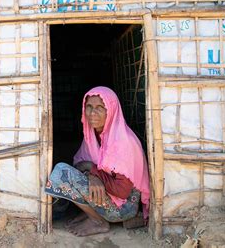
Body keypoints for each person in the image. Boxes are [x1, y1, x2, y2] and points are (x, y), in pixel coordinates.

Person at [45, 86, 150, 236]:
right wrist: (92, 175)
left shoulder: (123, 141)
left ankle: (98, 222)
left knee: (61, 172)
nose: (93, 113)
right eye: (89, 107)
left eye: (100, 107)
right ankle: (93, 213)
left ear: (111, 110)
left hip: (123, 208)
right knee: (65, 172)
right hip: (106, 197)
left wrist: (93, 171)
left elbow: (122, 191)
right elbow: (78, 165)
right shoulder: (93, 137)